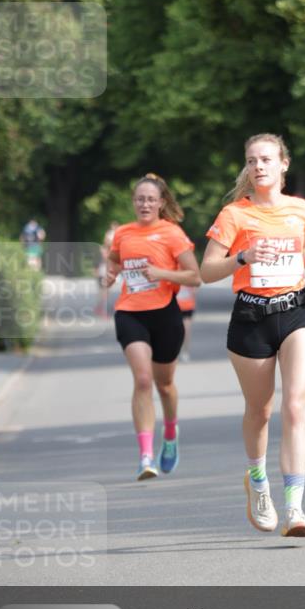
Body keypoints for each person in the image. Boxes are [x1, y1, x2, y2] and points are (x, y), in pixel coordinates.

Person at [201, 133, 305, 537]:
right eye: (252, 160)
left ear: (283, 164)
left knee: (295, 406)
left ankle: (295, 509)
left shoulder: (299, 209)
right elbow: (206, 272)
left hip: (296, 312)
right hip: (251, 318)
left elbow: (304, 248)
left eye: (267, 159)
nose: (259, 166)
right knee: (260, 412)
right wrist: (242, 256)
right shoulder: (234, 215)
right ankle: (258, 481)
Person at [104, 174, 200, 480]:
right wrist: (110, 275)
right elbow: (115, 262)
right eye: (139, 199)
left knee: (164, 385)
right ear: (133, 202)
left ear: (161, 203)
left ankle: (170, 432)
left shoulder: (172, 234)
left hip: (165, 315)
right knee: (143, 380)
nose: (144, 204)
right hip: (130, 313)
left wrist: (161, 273)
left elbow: (195, 276)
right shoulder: (123, 233)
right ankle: (146, 456)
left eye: (150, 199)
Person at [96, 220, 119, 317]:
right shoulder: (105, 249)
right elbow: (104, 259)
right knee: (104, 291)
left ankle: (101, 308)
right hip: (104, 270)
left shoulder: (111, 249)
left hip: (108, 270)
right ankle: (102, 310)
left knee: (106, 292)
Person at [176, 283, 197, 361]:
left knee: (186, 330)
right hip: (175, 306)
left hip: (187, 306)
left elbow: (196, 284)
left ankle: (185, 351)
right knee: (175, 331)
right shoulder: (172, 272)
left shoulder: (190, 272)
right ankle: (175, 352)